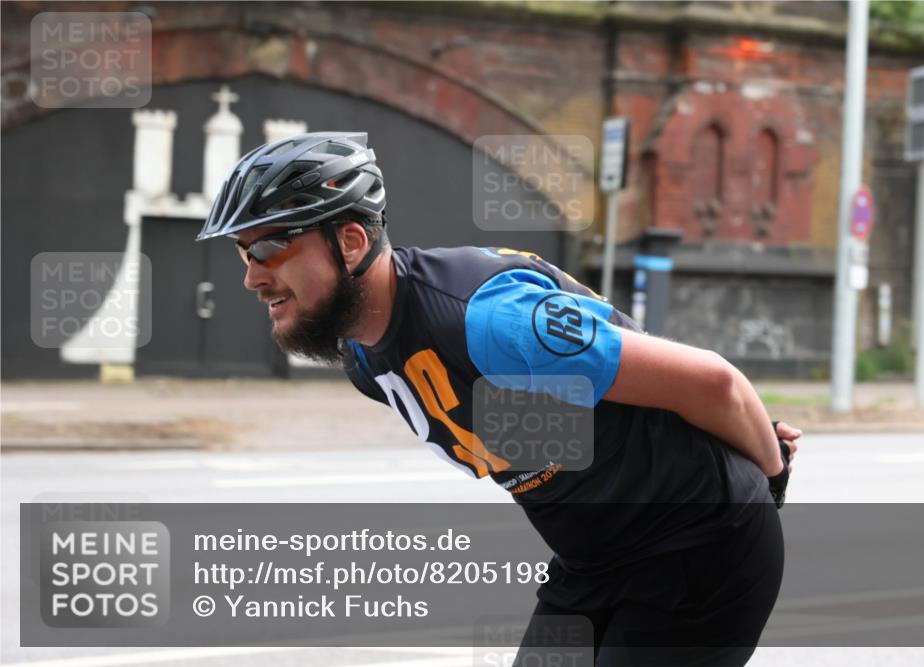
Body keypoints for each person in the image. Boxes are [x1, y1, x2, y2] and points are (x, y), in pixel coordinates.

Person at [197, 132, 801, 666]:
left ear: (350, 241)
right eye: (242, 253)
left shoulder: (492, 322)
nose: (252, 276)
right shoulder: (364, 358)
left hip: (702, 542)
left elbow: (713, 382)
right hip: (593, 562)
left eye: (267, 249)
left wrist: (771, 473)